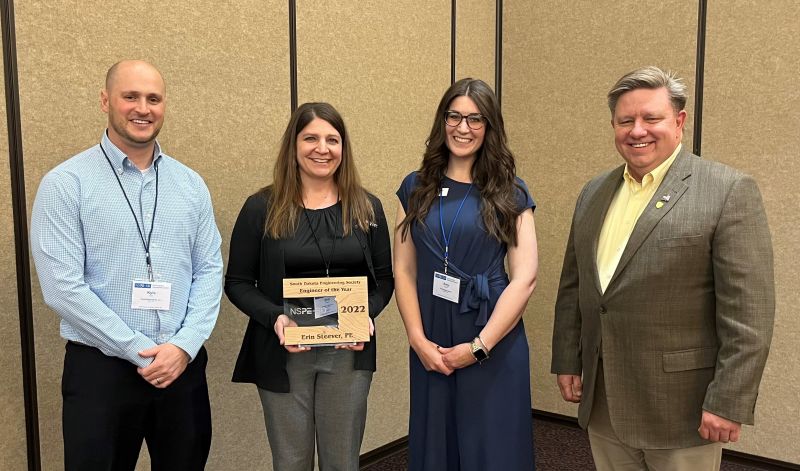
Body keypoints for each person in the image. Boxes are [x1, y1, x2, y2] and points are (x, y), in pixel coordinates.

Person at [551, 66, 775, 470]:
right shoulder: (593, 193)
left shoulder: (726, 191)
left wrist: (728, 400)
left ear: (679, 121)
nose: (638, 130)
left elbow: (749, 314)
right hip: (604, 397)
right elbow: (575, 286)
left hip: (682, 407)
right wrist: (568, 358)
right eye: (626, 120)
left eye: (651, 118)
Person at [30, 60, 223, 470]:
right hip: (102, 370)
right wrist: (138, 350)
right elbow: (63, 287)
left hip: (181, 366)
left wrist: (184, 345)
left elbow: (209, 269)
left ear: (164, 105)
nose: (143, 108)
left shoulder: (190, 184)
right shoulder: (66, 184)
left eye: (153, 98)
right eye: (130, 96)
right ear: (105, 101)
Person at [225, 102, 394, 471]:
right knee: (291, 462)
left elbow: (384, 281)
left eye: (332, 139)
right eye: (311, 138)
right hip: (285, 352)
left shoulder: (367, 208)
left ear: (343, 148)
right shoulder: (261, 207)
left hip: (348, 353)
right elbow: (238, 282)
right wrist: (276, 318)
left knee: (342, 461)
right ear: (293, 145)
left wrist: (365, 312)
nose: (322, 148)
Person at [394, 78, 538, 470]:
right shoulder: (415, 187)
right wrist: (417, 340)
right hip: (432, 335)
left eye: (476, 119)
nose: (463, 127)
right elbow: (403, 270)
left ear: (490, 127)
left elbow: (525, 277)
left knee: (492, 445)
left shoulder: (510, 191)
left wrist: (479, 346)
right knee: (435, 442)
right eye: (454, 116)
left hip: (491, 330)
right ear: (442, 121)